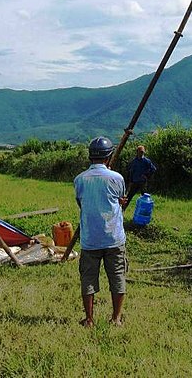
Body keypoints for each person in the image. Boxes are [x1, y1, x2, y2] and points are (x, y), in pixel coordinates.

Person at [74, 136, 127, 327]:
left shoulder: (79, 179)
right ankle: (116, 318)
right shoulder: (117, 178)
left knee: (88, 278)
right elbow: (121, 199)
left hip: (90, 239)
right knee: (117, 276)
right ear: (109, 156)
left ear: (90, 157)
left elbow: (81, 203)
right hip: (114, 238)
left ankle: (89, 319)